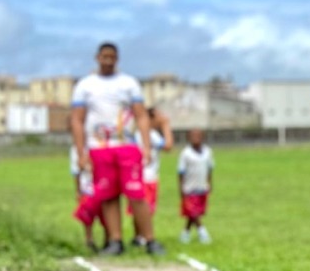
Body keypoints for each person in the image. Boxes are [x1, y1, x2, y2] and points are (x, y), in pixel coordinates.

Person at [70, 42, 165, 256]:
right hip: (99, 147)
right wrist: (80, 151)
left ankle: (149, 239)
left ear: (117, 59)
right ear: (97, 58)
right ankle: (115, 240)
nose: (108, 60)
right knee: (108, 195)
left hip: (126, 146)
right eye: (104, 56)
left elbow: (141, 116)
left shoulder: (128, 83)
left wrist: (146, 146)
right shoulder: (85, 86)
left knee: (136, 193)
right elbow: (77, 120)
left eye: (112, 57)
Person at [129, 105, 174, 239]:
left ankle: (138, 236)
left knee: (137, 208)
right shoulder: (151, 134)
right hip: (148, 178)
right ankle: (143, 236)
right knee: (146, 209)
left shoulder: (137, 135)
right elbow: (168, 146)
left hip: (138, 177)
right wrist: (166, 125)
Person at [177, 129, 215, 244]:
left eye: (198, 136)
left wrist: (209, 183)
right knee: (192, 211)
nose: (196, 138)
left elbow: (210, 169)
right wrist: (181, 188)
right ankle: (202, 232)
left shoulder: (208, 152)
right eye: (193, 136)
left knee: (196, 212)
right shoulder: (185, 153)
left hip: (202, 186)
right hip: (189, 187)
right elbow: (181, 172)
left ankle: (185, 233)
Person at [70, 144, 102, 251]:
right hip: (87, 188)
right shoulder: (76, 151)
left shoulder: (100, 145)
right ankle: (89, 239)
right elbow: (76, 172)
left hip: (102, 185)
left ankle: (110, 240)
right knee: (87, 214)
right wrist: (78, 190)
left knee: (105, 212)